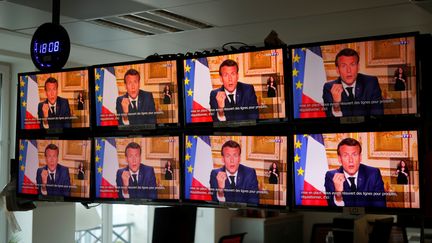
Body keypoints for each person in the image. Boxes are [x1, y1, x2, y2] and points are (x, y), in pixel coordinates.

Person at [324, 138, 386, 207]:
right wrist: (338, 194)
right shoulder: (331, 176)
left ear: (360, 157)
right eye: (345, 155)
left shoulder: (373, 174)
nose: (351, 160)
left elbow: (380, 207)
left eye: (354, 155)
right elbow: (332, 213)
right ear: (339, 159)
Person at [322, 48, 384, 117]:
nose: (348, 70)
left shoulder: (371, 83)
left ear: (358, 67)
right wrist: (336, 105)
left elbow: (378, 116)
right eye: (343, 66)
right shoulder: (329, 88)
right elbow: (332, 123)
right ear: (337, 70)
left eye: (352, 65)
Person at [209, 140, 259, 204]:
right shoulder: (215, 174)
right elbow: (215, 204)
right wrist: (220, 190)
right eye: (228, 156)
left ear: (239, 158)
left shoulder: (250, 173)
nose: (232, 160)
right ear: (223, 159)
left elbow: (254, 202)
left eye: (235, 156)